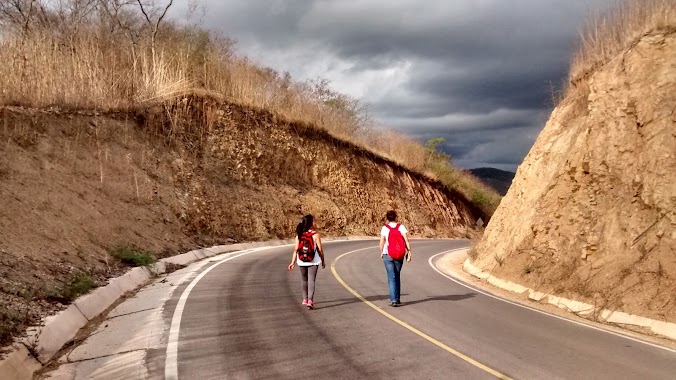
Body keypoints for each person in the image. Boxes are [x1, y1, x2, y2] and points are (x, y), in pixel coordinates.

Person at [288, 214, 325, 309]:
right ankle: (310, 301)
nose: (315, 223)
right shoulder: (315, 235)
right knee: (311, 280)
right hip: (313, 261)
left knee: (304, 279)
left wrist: (292, 262)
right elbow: (320, 250)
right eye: (313, 221)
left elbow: (296, 250)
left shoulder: (299, 235)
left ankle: (304, 299)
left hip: (301, 260)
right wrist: (323, 260)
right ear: (310, 223)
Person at [379, 210, 411, 307]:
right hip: (399, 254)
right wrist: (409, 252)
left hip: (387, 254)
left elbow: (381, 242)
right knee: (397, 276)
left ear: (387, 218)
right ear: (396, 217)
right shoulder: (401, 227)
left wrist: (381, 252)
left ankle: (393, 300)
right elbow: (406, 240)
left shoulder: (385, 228)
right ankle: (397, 299)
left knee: (391, 277)